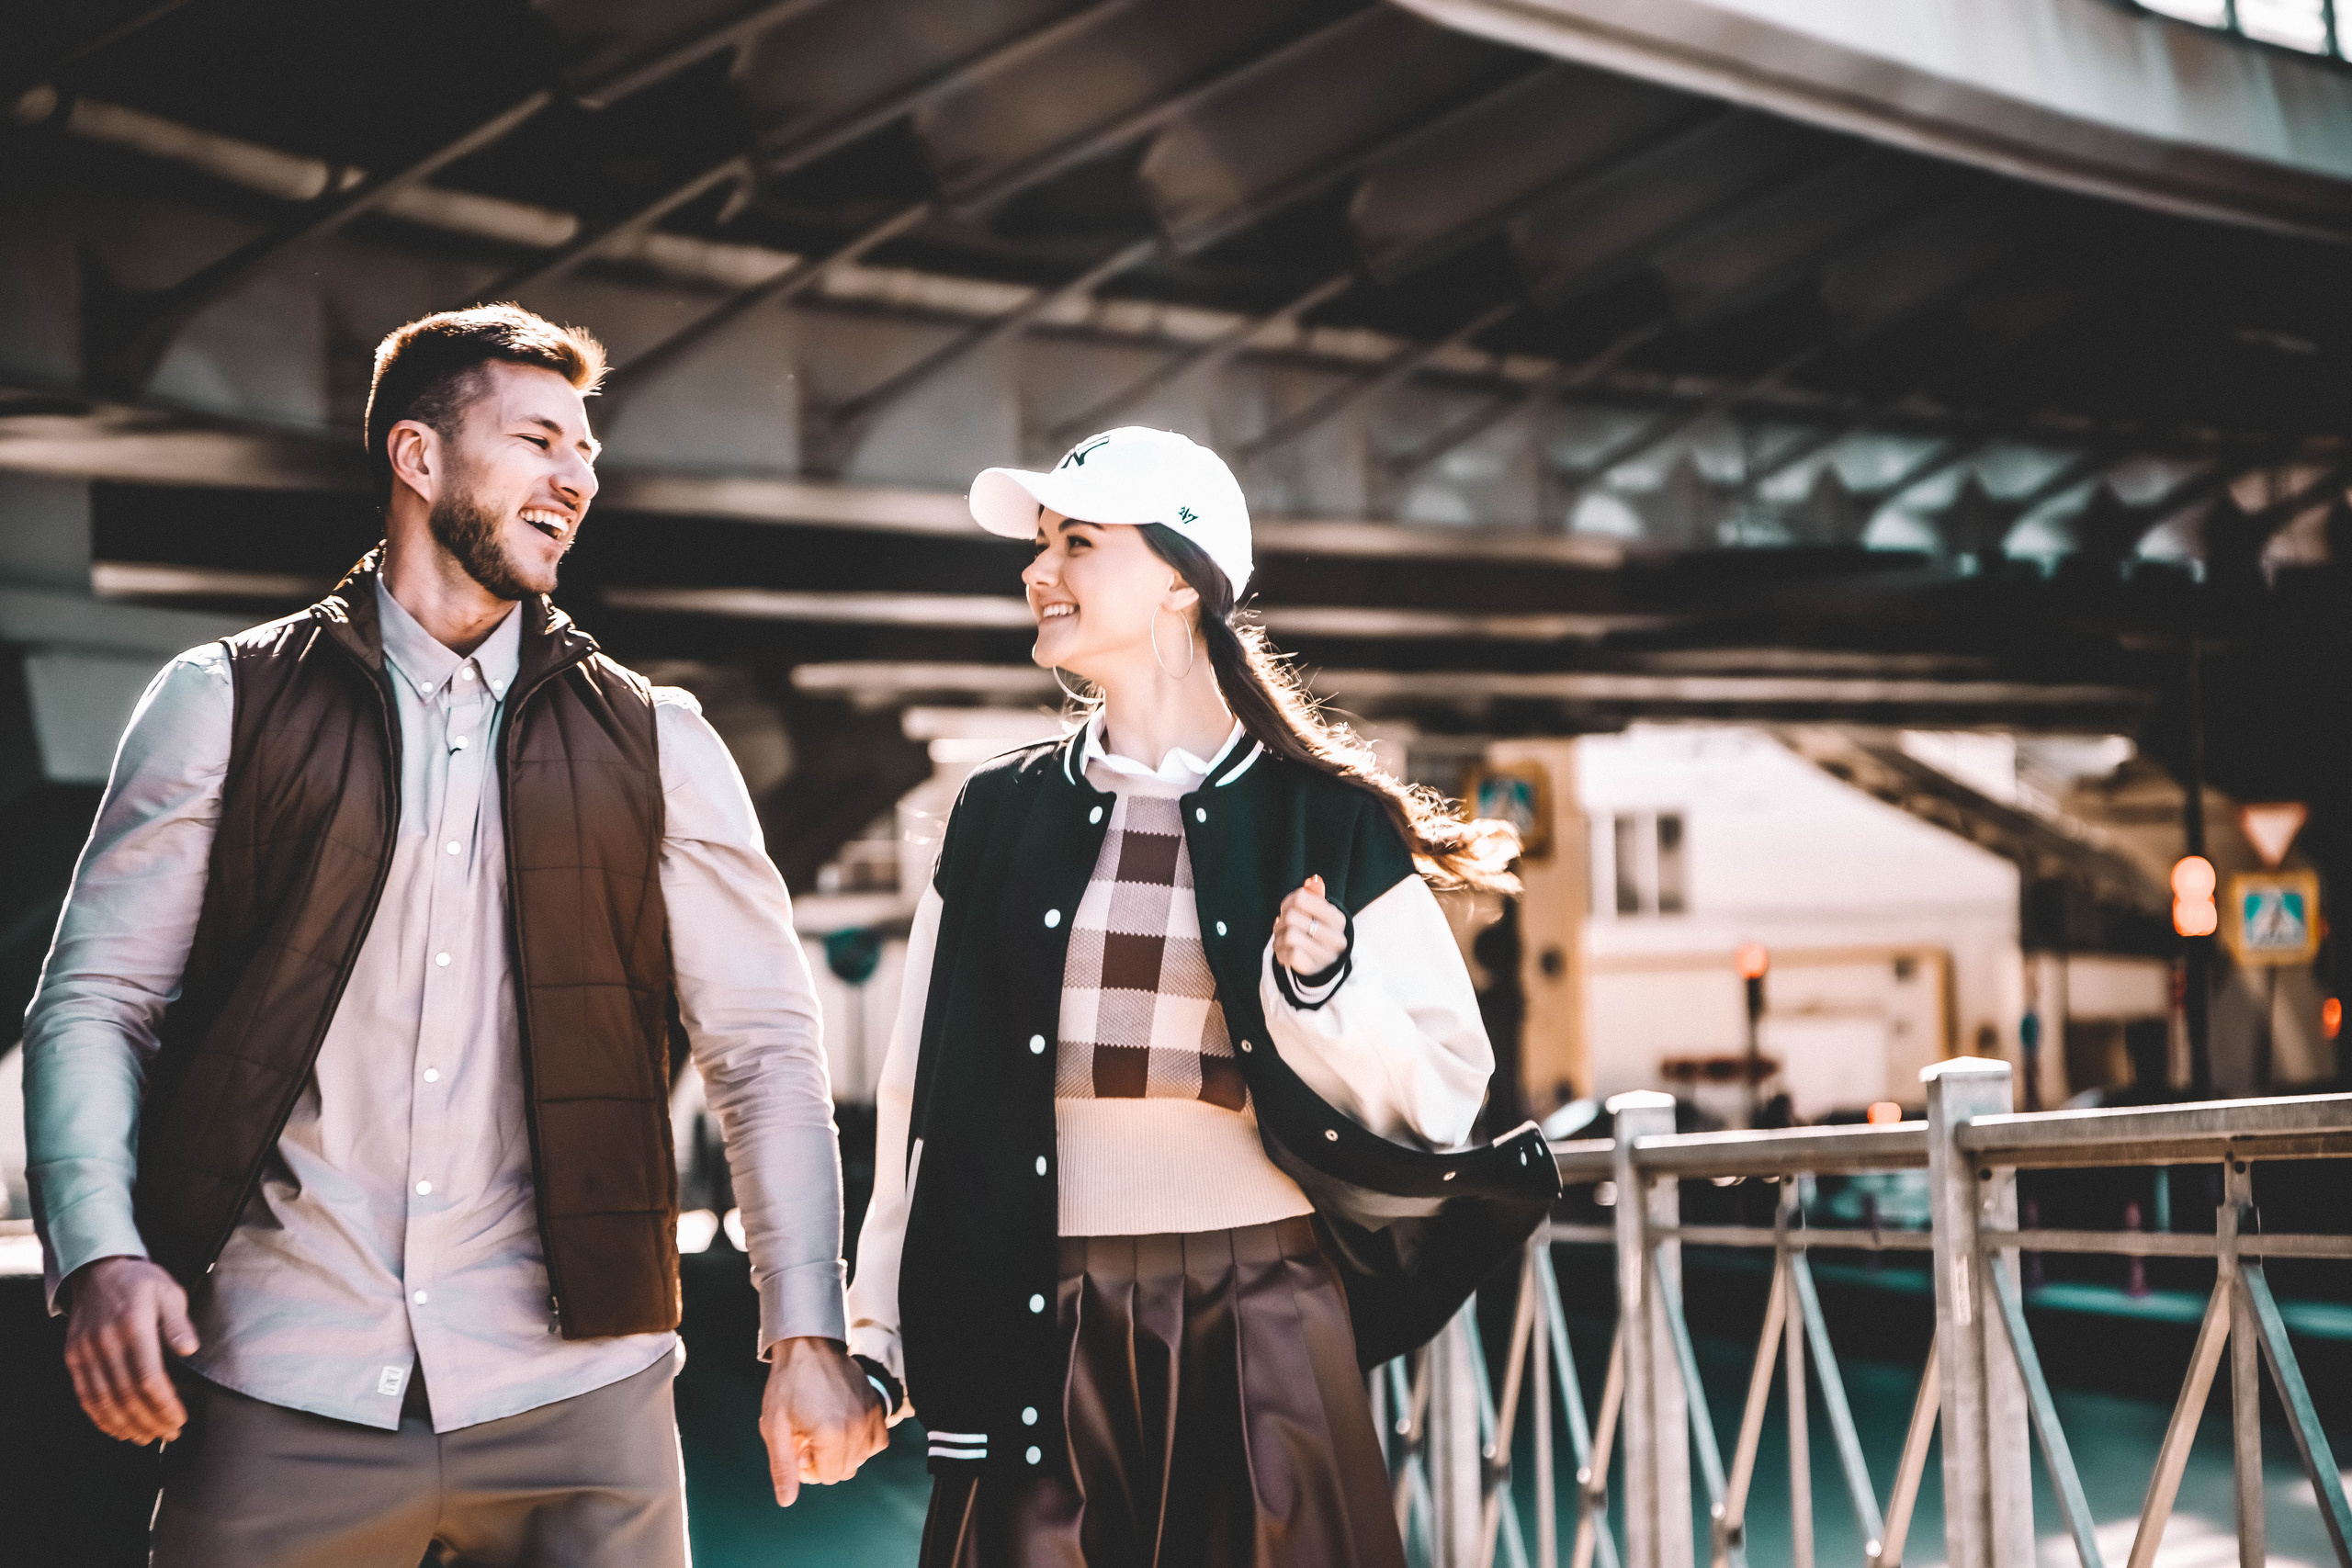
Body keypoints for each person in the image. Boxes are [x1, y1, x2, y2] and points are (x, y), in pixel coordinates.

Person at [22, 304, 884, 1567]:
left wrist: (805, 1329)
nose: (576, 477)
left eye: (584, 450)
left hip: (587, 1402)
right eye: (538, 439)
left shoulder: (663, 745)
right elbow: (95, 1000)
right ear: (417, 459)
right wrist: (100, 1250)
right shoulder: (222, 704)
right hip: (283, 1380)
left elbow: (762, 1050)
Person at [847, 427, 1562, 1565]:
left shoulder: (1323, 820)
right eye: (1040, 546)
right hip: (1040, 1313)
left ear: (1181, 580)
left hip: (1259, 1316)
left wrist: (1322, 994)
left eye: (1076, 543)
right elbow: (919, 1101)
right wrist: (874, 1336)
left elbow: (1442, 1101)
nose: (1039, 573)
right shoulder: (995, 816)